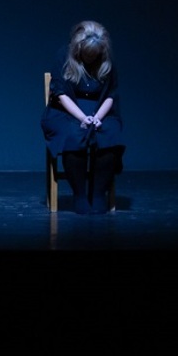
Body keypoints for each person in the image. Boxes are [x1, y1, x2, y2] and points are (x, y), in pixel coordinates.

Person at [41, 20, 125, 214]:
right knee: (72, 134)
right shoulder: (64, 55)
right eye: (87, 55)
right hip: (67, 109)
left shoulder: (106, 60)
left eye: (94, 55)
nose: (90, 59)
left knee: (109, 133)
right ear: (78, 49)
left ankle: (98, 193)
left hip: (100, 108)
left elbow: (111, 95)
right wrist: (82, 118)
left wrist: (97, 117)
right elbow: (60, 94)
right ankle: (79, 194)